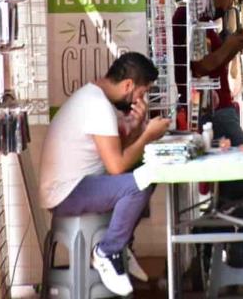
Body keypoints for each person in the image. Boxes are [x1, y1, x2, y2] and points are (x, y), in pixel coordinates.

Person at [39, 53, 171, 296]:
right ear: (128, 85)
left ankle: (121, 244)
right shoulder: (98, 106)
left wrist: (136, 126)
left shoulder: (94, 98)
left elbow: (116, 153)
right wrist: (147, 136)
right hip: (66, 192)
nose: (141, 99)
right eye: (141, 93)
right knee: (138, 184)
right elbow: (117, 166)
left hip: (78, 184)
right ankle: (107, 252)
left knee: (145, 172)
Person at [173, 0, 243, 145]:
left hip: (217, 105)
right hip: (210, 108)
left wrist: (235, 45)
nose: (229, 5)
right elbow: (202, 66)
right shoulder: (190, 18)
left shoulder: (203, 19)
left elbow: (215, 61)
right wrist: (231, 45)